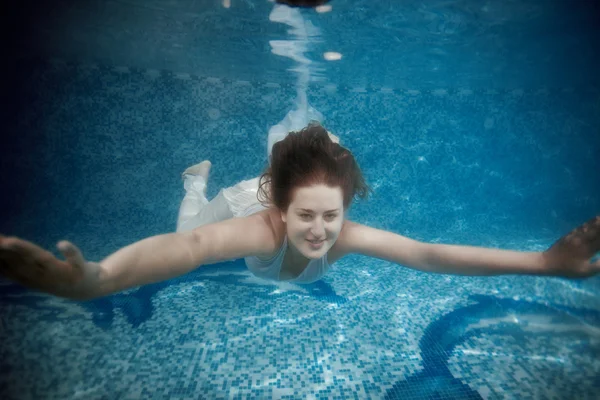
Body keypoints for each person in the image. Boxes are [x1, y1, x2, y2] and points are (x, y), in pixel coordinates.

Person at [0, 123, 599, 301]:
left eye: (330, 217)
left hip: (276, 189)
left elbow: (428, 255)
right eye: (306, 216)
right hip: (240, 202)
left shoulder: (340, 233)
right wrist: (99, 277)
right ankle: (193, 182)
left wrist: (544, 262)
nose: (319, 232)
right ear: (282, 210)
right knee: (187, 228)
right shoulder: (258, 227)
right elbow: (186, 252)